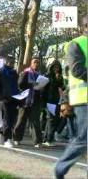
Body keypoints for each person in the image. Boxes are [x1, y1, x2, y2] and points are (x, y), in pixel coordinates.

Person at [55, 15, 87, 179]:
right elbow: (77, 70)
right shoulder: (76, 44)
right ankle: (59, 169)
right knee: (83, 139)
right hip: (84, 99)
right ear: (86, 26)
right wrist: (64, 101)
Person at [13, 57, 43, 148]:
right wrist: (31, 84)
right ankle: (16, 139)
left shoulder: (40, 75)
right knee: (21, 121)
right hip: (25, 101)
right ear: (31, 63)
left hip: (35, 101)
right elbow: (20, 84)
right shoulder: (25, 73)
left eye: (38, 62)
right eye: (35, 62)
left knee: (35, 122)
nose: (36, 64)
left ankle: (37, 141)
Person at [0, 56, 19, 148]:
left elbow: (16, 85)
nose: (12, 64)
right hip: (5, 100)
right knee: (7, 120)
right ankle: (7, 140)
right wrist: (0, 98)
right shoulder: (0, 72)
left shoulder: (14, 72)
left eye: (13, 62)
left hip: (14, 99)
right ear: (6, 62)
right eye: (10, 62)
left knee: (12, 120)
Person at [42, 59, 64, 146]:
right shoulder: (47, 76)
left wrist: (60, 81)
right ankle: (48, 139)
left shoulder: (58, 76)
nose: (56, 69)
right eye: (55, 67)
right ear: (51, 67)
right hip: (48, 100)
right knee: (51, 119)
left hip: (56, 101)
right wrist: (43, 101)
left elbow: (62, 88)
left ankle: (47, 139)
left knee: (53, 120)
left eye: (58, 67)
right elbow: (43, 89)